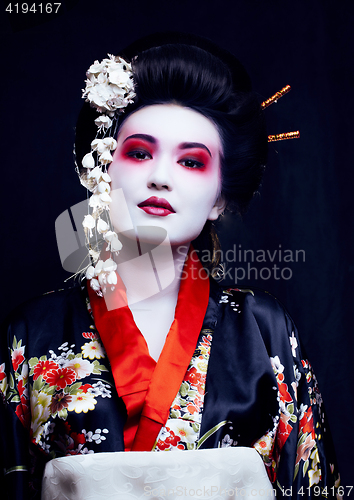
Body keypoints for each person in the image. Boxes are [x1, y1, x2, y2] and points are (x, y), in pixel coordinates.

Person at [0, 33, 340, 499]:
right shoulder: (30, 335)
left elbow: (314, 488)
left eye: (191, 162)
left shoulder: (265, 331)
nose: (160, 175)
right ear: (101, 169)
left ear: (219, 196)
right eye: (139, 152)